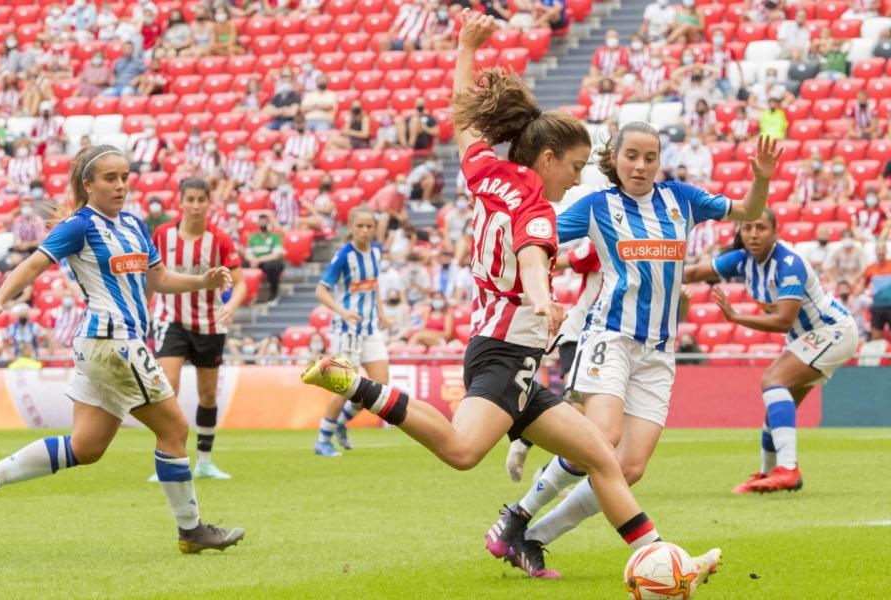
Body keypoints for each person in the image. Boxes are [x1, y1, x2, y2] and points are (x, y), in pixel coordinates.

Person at [302, 11, 719, 581]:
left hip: (514, 360)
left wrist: (465, 49)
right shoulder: (535, 207)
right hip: (503, 352)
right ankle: (356, 384)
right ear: (547, 159)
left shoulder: (488, 173)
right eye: (573, 168)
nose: (576, 179)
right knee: (461, 450)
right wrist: (545, 297)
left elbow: (461, 121)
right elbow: (530, 250)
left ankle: (664, 561)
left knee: (601, 456)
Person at [486, 123, 779, 576]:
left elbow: (748, 211)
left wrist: (760, 178)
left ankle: (529, 537)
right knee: (601, 441)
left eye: (649, 157)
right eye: (632, 157)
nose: (641, 166)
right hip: (611, 337)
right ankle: (518, 515)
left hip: (659, 352)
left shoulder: (682, 198)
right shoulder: (598, 205)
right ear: (615, 159)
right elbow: (538, 236)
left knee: (631, 467)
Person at [0, 146, 245, 553]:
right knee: (175, 430)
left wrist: (203, 282)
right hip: (115, 344)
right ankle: (191, 529)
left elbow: (160, 279)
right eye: (110, 178)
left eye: (124, 177)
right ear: (88, 184)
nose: (120, 186)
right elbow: (33, 265)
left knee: (86, 447)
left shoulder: (134, 224)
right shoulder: (80, 226)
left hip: (102, 347)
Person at [684, 209, 859, 493]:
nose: (753, 234)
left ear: (775, 233)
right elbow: (692, 272)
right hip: (807, 337)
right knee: (777, 407)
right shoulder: (743, 260)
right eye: (748, 228)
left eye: (761, 228)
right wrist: (655, 275)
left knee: (773, 381)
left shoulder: (788, 263)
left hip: (832, 331)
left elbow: (783, 321)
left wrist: (735, 317)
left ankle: (788, 469)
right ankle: (767, 473)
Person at [149, 178, 247, 479]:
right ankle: (168, 458)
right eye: (189, 199)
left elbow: (240, 283)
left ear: (209, 202)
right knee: (168, 385)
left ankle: (204, 461)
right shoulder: (162, 235)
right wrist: (142, 311)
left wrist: (230, 306)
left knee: (207, 394)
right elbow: (152, 279)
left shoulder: (219, 240)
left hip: (208, 323)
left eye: (200, 199)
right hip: (170, 320)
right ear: (180, 201)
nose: (195, 205)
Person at [311, 208, 389, 457]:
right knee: (346, 387)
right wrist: (342, 311)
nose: (365, 231)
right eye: (360, 226)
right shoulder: (344, 256)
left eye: (369, 226)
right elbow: (321, 291)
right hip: (346, 330)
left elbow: (374, 285)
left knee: (380, 386)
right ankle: (323, 439)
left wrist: (382, 312)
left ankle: (341, 424)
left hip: (370, 327)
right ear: (351, 228)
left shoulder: (376, 251)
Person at [243, 213, 285, 302]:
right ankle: (246, 294)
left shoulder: (274, 237)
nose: (263, 224)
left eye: (265, 222)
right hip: (255, 261)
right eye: (261, 222)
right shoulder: (253, 237)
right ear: (258, 223)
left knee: (272, 266)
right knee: (244, 265)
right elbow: (248, 254)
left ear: (268, 223)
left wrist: (259, 259)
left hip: (268, 261)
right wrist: (253, 260)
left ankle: (274, 292)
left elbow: (277, 254)